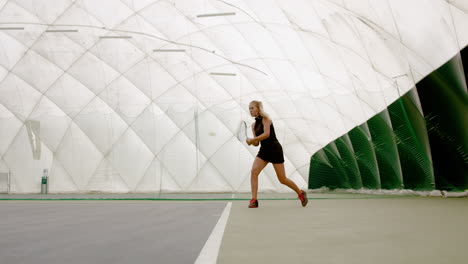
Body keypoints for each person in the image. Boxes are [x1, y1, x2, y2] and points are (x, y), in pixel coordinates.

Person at [246, 100, 308, 208]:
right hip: (264, 151)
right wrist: (251, 142)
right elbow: (257, 143)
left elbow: (266, 134)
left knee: (282, 179)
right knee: (254, 171)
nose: (250, 110)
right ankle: (254, 200)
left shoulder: (267, 120)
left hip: (275, 149)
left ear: (258, 108)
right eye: (249, 108)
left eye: (252, 108)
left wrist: (253, 139)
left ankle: (300, 193)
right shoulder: (253, 125)